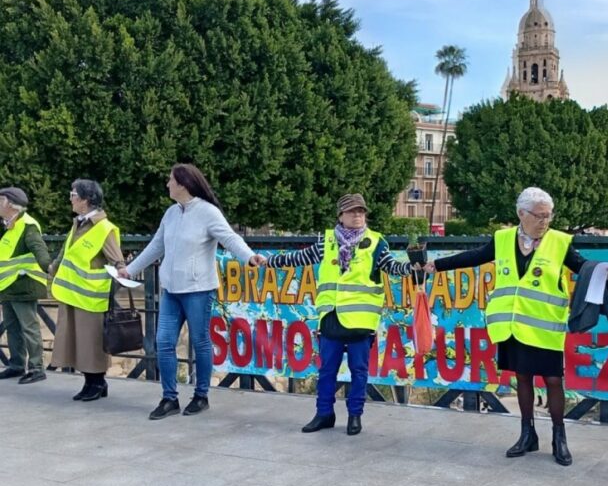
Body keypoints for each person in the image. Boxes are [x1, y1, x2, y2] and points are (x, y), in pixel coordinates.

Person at [424, 187, 584, 466]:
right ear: (521, 214)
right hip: (512, 325)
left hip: (544, 327)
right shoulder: (503, 239)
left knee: (553, 380)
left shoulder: (559, 242)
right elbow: (473, 257)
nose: (545, 221)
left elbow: (584, 267)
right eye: (539, 215)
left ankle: (559, 438)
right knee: (522, 376)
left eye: (549, 216)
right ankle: (527, 434)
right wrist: (437, 265)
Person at [121, 164, 264, 420]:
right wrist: (130, 270)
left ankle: (201, 395)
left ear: (183, 184)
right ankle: (169, 398)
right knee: (163, 342)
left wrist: (249, 257)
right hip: (171, 291)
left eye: (170, 180)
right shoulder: (171, 214)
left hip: (198, 290)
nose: (167, 184)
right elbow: (156, 246)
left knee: (200, 342)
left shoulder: (208, 213)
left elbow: (229, 238)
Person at [264, 193, 413, 436]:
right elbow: (298, 258)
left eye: (361, 211)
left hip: (361, 320)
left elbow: (393, 266)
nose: (358, 215)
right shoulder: (328, 242)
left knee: (358, 370)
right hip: (331, 317)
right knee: (327, 370)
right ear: (341, 215)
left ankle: (355, 416)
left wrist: (413, 268)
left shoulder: (376, 242)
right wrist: (267, 262)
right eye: (352, 211)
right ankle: (324, 414)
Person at [51, 179, 126, 401]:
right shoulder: (78, 224)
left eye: (73, 194)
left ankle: (98, 382)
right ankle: (89, 382)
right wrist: (53, 267)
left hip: (92, 296)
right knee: (77, 341)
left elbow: (117, 260)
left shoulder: (103, 228)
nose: (71, 198)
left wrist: (118, 279)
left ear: (86, 200)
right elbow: (67, 253)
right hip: (73, 294)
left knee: (91, 341)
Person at [0, 187, 50, 383]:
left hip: (24, 285)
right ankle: (17, 365)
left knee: (28, 327)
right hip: (9, 286)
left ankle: (37, 368)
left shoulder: (27, 226)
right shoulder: (9, 225)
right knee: (13, 328)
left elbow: (39, 249)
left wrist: (50, 267)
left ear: (10, 204)